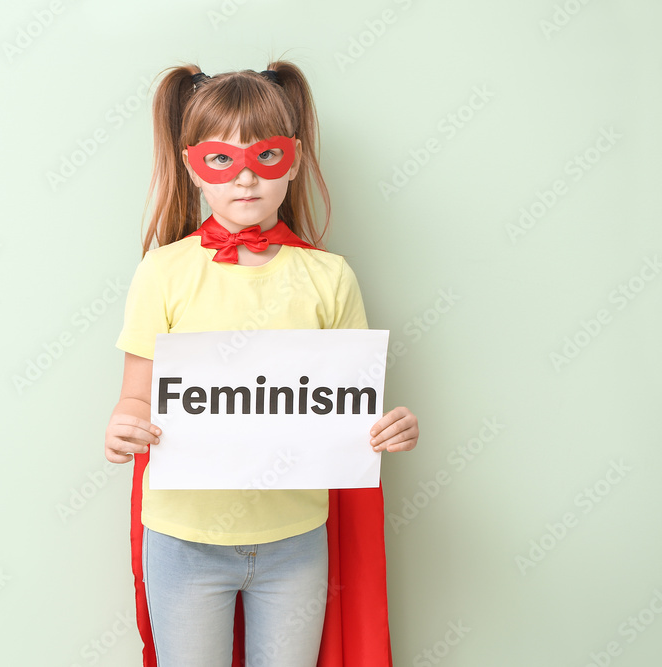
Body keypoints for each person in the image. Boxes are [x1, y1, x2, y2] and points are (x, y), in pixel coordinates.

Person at [104, 60, 420, 667]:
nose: (245, 179)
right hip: (184, 540)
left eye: (266, 157)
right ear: (193, 165)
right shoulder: (163, 272)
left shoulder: (329, 277)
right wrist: (124, 426)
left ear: (294, 160)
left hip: (294, 542)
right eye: (222, 159)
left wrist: (386, 428)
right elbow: (135, 398)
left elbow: (347, 410)